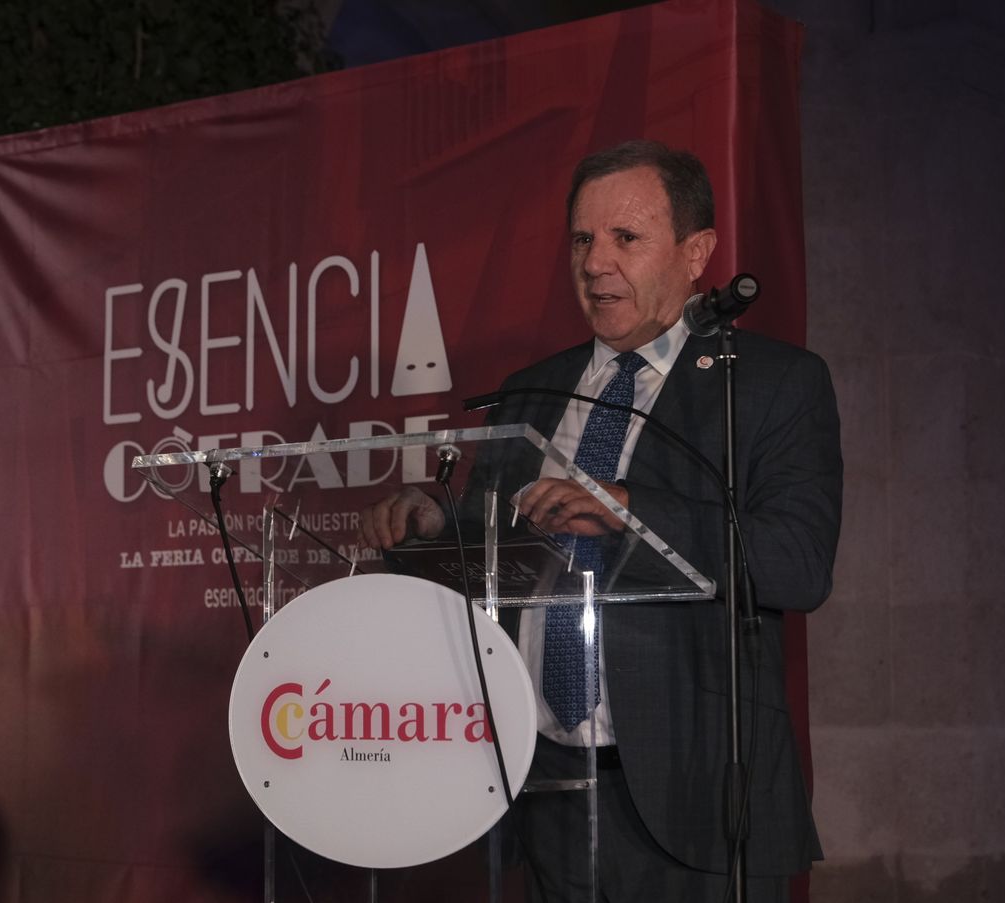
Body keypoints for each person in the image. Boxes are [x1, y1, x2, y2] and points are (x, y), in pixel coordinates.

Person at [357, 140, 842, 903]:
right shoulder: (530, 394)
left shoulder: (772, 384)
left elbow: (799, 561)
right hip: (544, 783)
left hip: (693, 794)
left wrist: (630, 511)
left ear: (696, 253)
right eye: (583, 239)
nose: (595, 262)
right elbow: (494, 547)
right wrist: (429, 523)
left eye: (625, 237)